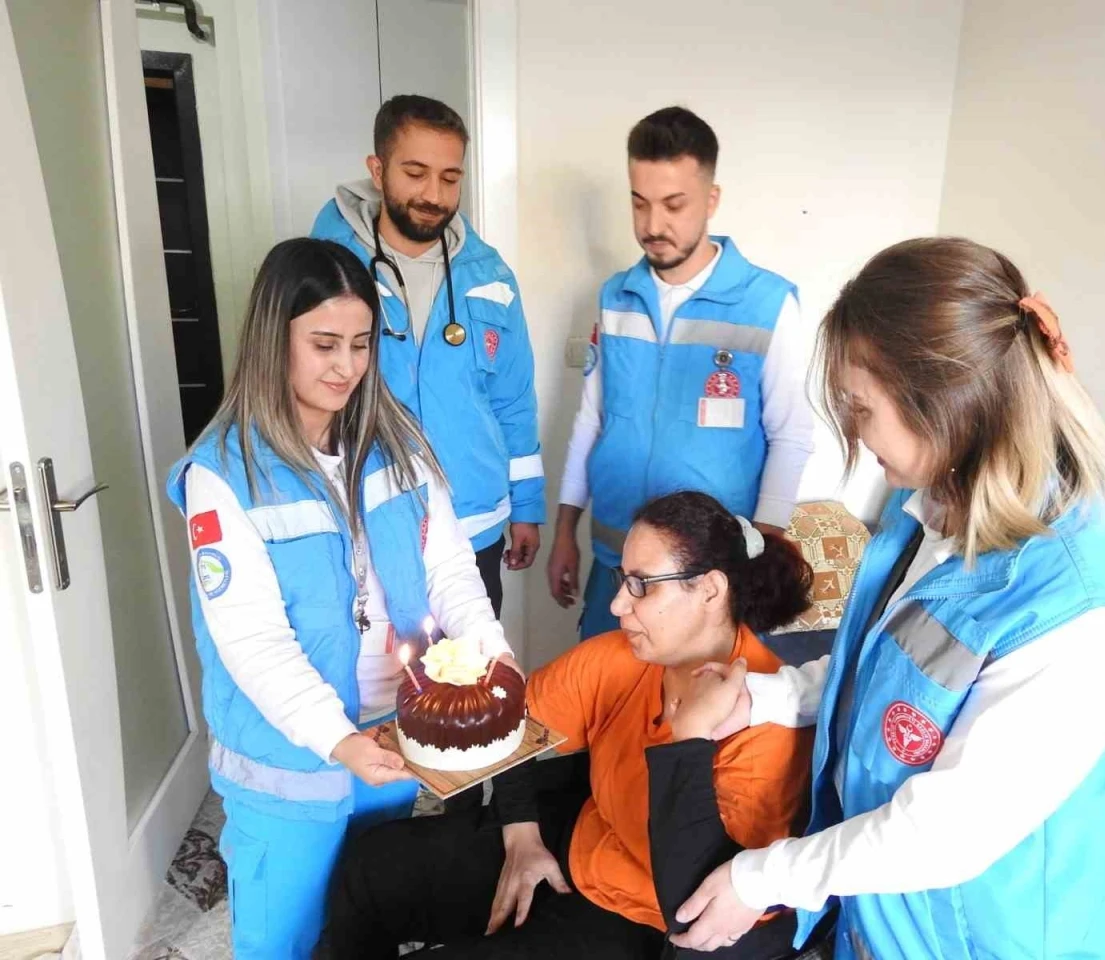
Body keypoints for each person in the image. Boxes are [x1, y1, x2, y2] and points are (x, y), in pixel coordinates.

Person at [669, 238, 1105, 959]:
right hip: (885, 918)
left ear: (944, 402)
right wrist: (770, 696)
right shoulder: (930, 511)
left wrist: (761, 879)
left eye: (862, 409)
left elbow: (946, 833)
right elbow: (889, 668)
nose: (855, 434)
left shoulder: (1086, 619)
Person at [165, 238, 520, 960]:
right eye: (324, 344)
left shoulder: (398, 444)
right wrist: (336, 739)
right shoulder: (224, 475)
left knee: (368, 921)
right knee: (285, 940)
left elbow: (451, 569)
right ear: (274, 341)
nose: (347, 367)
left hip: (388, 740)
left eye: (361, 345)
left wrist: (492, 655)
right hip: (289, 767)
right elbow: (255, 642)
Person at [323, 491, 816, 959]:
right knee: (373, 867)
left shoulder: (769, 727)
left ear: (709, 589)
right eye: (623, 579)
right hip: (580, 845)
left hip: (652, 922)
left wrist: (688, 740)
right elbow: (516, 719)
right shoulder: (625, 655)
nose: (617, 605)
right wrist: (521, 833)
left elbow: (691, 898)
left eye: (642, 585)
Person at [546, 106, 814, 640]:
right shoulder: (615, 297)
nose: (652, 225)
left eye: (674, 205)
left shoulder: (767, 304)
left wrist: (760, 552)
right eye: (639, 203)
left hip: (708, 577)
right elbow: (591, 420)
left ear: (711, 200)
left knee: (699, 698)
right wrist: (565, 531)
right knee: (600, 691)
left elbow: (791, 434)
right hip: (616, 563)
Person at [312, 95, 544, 616]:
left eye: (450, 177)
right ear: (378, 170)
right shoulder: (324, 269)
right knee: (380, 667)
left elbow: (513, 401)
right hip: (367, 525)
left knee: (473, 662)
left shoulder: (490, 275)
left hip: (473, 524)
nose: (434, 195)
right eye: (415, 173)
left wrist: (526, 505)